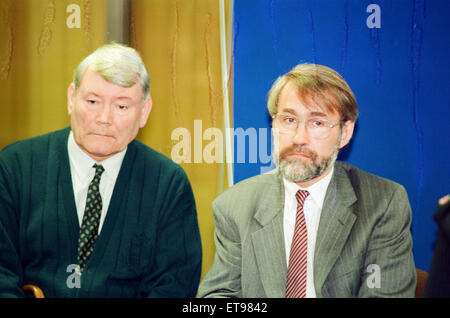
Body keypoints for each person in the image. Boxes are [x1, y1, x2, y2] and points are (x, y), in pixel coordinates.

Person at [0, 43, 202, 297]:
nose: (104, 118)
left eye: (122, 106)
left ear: (144, 112)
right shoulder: (14, 167)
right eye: (93, 101)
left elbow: (176, 286)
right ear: (72, 99)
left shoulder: (168, 184)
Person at [198, 64, 416, 298]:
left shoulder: (383, 204)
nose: (299, 138)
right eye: (289, 120)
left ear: (345, 133)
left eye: (317, 123)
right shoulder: (234, 206)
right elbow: (219, 294)